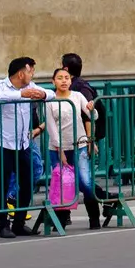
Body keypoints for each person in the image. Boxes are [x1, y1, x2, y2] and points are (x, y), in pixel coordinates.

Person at [0, 57, 48, 238]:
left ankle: (19, 223)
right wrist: (23, 95)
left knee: (28, 180)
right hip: (1, 143)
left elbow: (49, 94)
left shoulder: (31, 87)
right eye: (31, 71)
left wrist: (42, 95)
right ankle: (2, 225)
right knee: (3, 183)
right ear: (21, 73)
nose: (32, 75)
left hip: (22, 144)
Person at [39, 66, 99, 230]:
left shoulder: (77, 96)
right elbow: (51, 127)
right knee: (63, 183)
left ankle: (94, 218)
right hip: (58, 147)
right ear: (53, 82)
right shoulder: (50, 101)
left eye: (66, 77)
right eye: (60, 78)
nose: (64, 80)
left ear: (71, 80)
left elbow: (92, 116)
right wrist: (60, 149)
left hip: (78, 145)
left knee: (85, 181)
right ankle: (62, 220)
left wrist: (92, 109)